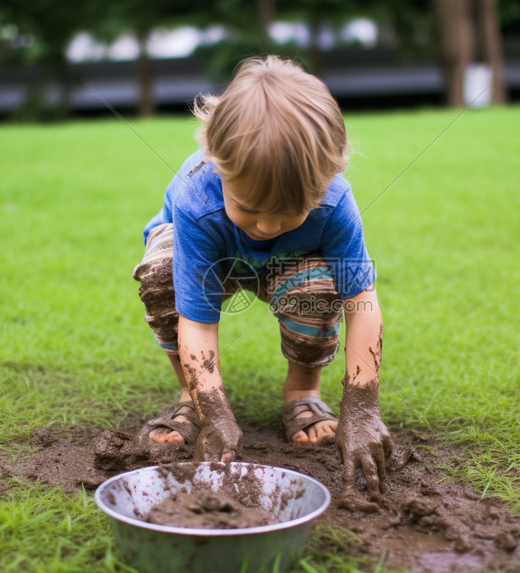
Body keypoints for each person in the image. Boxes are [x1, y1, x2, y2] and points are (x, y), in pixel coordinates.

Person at [133, 55, 393, 506]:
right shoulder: (198, 198)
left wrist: (363, 408)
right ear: (219, 165)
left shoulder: (335, 203)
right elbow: (197, 320)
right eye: (249, 207)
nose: (266, 227)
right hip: (210, 259)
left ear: (327, 179)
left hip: (292, 266)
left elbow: (361, 301)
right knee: (161, 275)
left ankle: (303, 393)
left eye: (288, 213)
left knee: (321, 285)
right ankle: (193, 397)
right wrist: (214, 412)